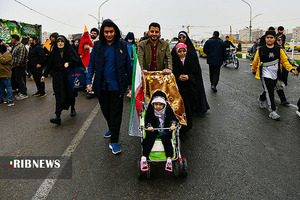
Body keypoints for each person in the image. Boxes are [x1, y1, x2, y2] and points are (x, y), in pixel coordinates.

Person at [86, 19, 132, 154]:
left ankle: (114, 141)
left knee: (116, 113)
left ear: (115, 31)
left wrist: (129, 82)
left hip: (117, 85)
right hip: (101, 85)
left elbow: (128, 65)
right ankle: (112, 127)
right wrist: (89, 81)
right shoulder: (98, 45)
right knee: (105, 110)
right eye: (106, 32)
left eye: (111, 31)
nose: (109, 34)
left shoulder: (122, 45)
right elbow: (91, 65)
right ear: (102, 32)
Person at [251, 30, 296, 120]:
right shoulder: (261, 49)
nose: (269, 39)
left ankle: (261, 99)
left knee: (269, 89)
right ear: (265, 39)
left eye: (271, 37)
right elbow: (255, 61)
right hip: (265, 73)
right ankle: (272, 111)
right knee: (270, 91)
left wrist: (291, 69)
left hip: (275, 74)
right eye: (268, 38)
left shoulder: (279, 49)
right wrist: (253, 70)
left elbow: (285, 61)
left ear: (274, 39)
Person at [41, 35, 82, 125]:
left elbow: (77, 62)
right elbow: (49, 64)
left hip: (68, 77)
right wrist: (44, 74)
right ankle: (58, 117)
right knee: (58, 95)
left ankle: (72, 108)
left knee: (71, 94)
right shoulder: (54, 51)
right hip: (57, 77)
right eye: (58, 41)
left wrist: (69, 63)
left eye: (62, 41)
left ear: (65, 42)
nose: (60, 43)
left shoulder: (69, 50)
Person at [172, 31, 210, 114]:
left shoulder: (191, 50)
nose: (182, 39)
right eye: (180, 37)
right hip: (180, 79)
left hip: (192, 78)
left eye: (183, 37)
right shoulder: (175, 50)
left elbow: (195, 68)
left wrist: (189, 76)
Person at [140, 91, 177, 172]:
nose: (158, 107)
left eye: (161, 104)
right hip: (154, 131)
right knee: (149, 141)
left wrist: (173, 124)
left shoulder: (168, 110)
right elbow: (148, 119)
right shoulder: (150, 110)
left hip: (165, 131)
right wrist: (149, 126)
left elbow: (172, 118)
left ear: (164, 104)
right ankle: (144, 157)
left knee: (167, 142)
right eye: (156, 104)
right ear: (153, 104)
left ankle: (169, 159)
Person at [275, 36, 299, 106]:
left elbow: (286, 57)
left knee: (276, 85)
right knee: (276, 84)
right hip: (274, 70)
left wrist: (293, 63)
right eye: (278, 40)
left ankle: (263, 97)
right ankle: (283, 100)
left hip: (282, 69)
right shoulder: (273, 49)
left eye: (281, 40)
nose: (280, 41)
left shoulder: (282, 48)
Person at [11, 34, 28, 100]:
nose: (11, 40)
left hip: (19, 66)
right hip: (15, 66)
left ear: (14, 39)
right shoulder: (16, 46)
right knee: (17, 79)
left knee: (20, 79)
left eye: (12, 38)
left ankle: (24, 93)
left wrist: (18, 63)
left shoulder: (21, 46)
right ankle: (21, 91)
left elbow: (21, 56)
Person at [85, 28, 99, 99]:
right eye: (92, 33)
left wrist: (89, 48)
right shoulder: (88, 40)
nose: (93, 34)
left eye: (94, 33)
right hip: (87, 61)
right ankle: (89, 88)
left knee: (94, 75)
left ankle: (92, 91)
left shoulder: (98, 42)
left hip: (95, 61)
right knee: (88, 73)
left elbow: (96, 51)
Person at [125, 32, 136, 98]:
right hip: (125, 64)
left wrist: (134, 57)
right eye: (129, 38)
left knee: (131, 78)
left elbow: (136, 53)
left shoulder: (134, 45)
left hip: (132, 64)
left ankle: (130, 90)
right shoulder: (124, 44)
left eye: (131, 39)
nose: (130, 40)